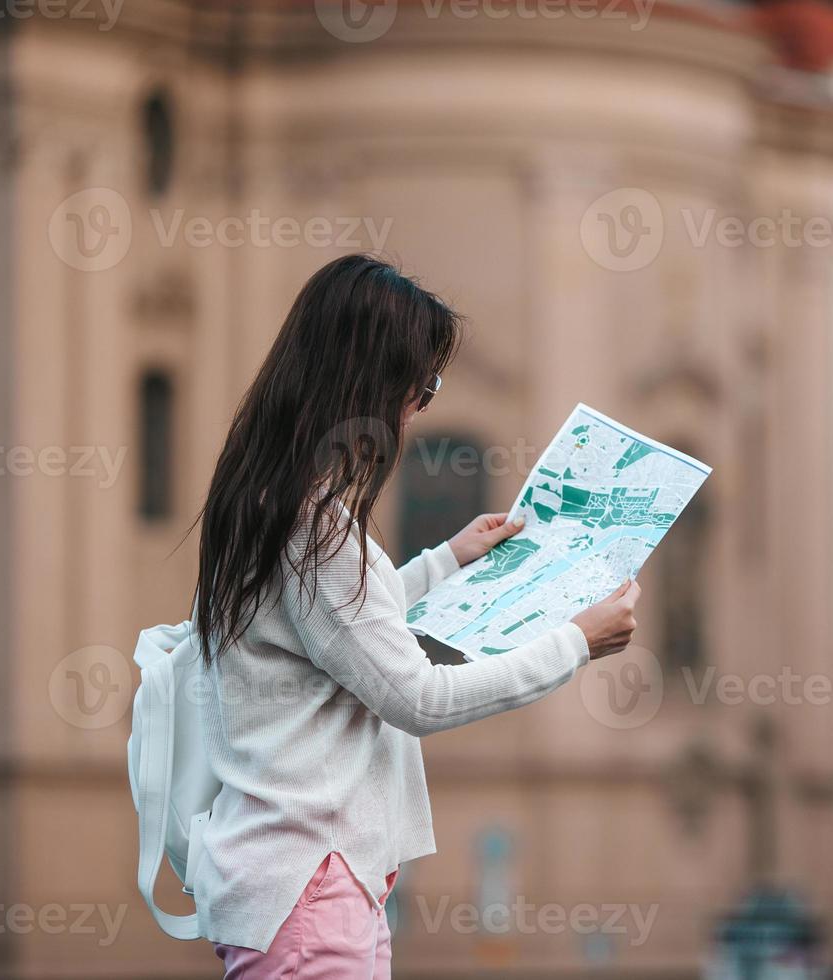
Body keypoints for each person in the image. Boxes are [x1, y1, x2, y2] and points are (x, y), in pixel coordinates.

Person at [189, 253, 639, 978]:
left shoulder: (275, 499)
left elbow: (338, 633)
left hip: (311, 882)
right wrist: (575, 643)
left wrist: (447, 560)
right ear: (368, 381)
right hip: (311, 885)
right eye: (420, 386)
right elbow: (415, 695)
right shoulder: (317, 524)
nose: (418, 409)